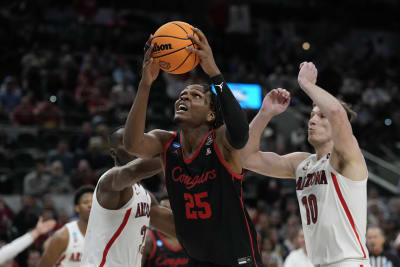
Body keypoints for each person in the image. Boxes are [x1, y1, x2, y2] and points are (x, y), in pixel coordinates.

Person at [124, 27, 261, 267]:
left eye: (195, 95)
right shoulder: (166, 142)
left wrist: (214, 73)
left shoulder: (219, 140)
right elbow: (133, 144)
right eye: (182, 95)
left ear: (211, 114)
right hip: (197, 259)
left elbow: (240, 135)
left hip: (237, 257)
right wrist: (145, 84)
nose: (184, 98)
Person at [241, 62, 370, 266]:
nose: (312, 120)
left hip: (349, 261)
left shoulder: (347, 158)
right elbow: (247, 158)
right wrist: (264, 114)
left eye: (321, 116)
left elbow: (337, 113)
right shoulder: (301, 163)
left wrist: (305, 84)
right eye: (311, 115)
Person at [81, 127, 176, 267]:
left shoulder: (145, 196)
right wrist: (179, 153)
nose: (135, 149)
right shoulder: (109, 181)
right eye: (128, 144)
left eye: (139, 143)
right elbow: (134, 170)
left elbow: (176, 228)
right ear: (113, 153)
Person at [38, 186, 94, 267]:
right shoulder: (63, 236)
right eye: (86, 202)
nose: (90, 205)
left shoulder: (104, 235)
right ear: (77, 208)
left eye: (93, 202)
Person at [142, 197, 189, 267]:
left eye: (170, 211)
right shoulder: (149, 239)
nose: (166, 214)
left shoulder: (189, 239)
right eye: (163, 209)